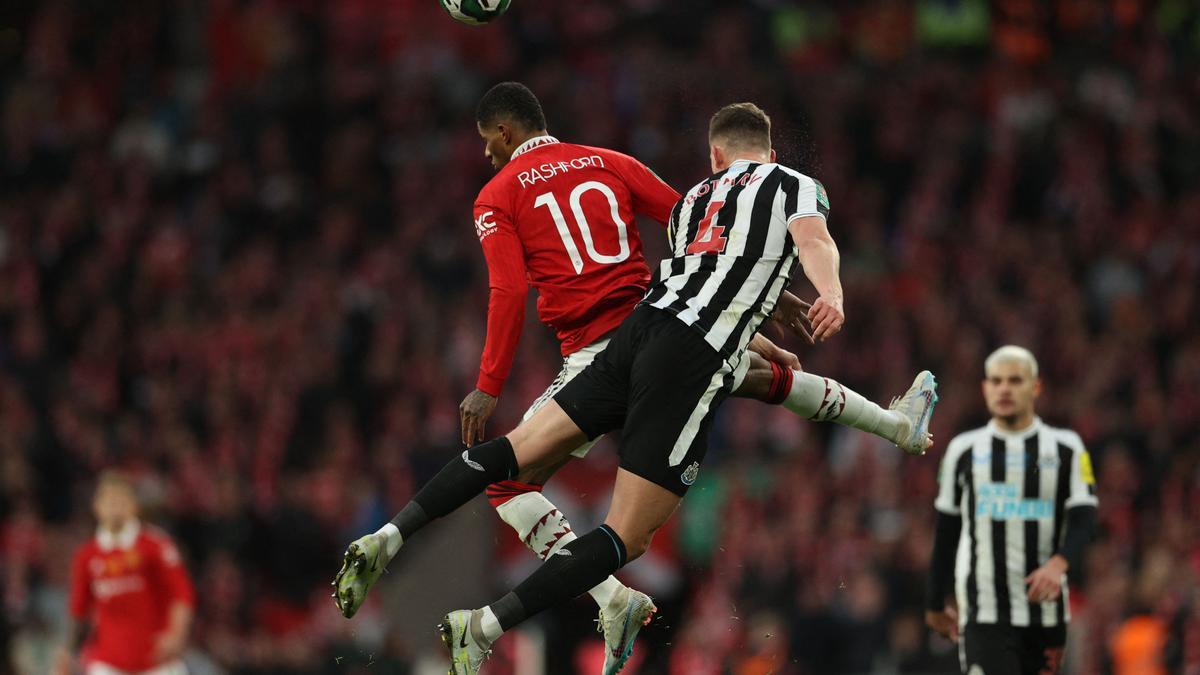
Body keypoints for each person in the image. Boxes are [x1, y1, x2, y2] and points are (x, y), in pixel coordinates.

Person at [335, 101, 938, 674]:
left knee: (513, 458)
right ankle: (486, 627)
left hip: (641, 331)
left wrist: (752, 329)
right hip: (687, 354)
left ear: (715, 157)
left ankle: (390, 535)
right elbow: (814, 241)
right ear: (768, 150)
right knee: (627, 534)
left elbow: (694, 281)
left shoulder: (699, 198)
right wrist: (829, 293)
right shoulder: (789, 184)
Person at [925, 346, 1099, 674]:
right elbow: (946, 530)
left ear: (1035, 388)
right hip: (983, 614)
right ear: (985, 388)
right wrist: (935, 601)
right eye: (997, 380)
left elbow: (1085, 520)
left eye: (1015, 380)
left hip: (1044, 616)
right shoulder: (963, 450)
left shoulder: (1067, 449)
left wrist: (1059, 564)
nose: (1004, 388)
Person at [55, 471, 195, 675]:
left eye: (120, 498)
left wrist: (177, 634)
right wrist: (66, 653)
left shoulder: (155, 545)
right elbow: (78, 610)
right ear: (97, 506)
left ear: (134, 506)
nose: (114, 505)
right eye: (108, 499)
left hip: (158, 662)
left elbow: (182, 594)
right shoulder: (87, 556)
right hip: (108, 662)